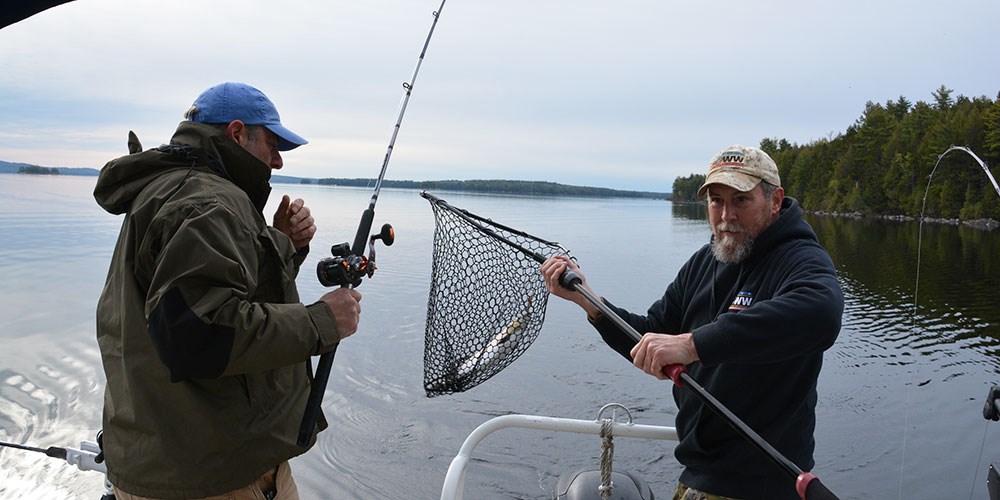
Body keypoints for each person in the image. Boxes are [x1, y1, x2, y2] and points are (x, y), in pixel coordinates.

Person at [93, 82, 362, 500]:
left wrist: (280, 242)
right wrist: (322, 321)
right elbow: (200, 334)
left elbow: (200, 297)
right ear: (237, 133)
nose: (276, 161)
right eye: (272, 144)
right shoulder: (208, 202)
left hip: (163, 455)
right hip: (212, 475)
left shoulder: (173, 186)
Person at [540, 145, 844, 500]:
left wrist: (691, 345)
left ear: (775, 200)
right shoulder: (706, 260)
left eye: (741, 201)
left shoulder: (800, 258)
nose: (726, 215)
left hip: (762, 486)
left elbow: (820, 312)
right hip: (698, 478)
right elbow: (649, 337)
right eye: (716, 201)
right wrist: (589, 301)